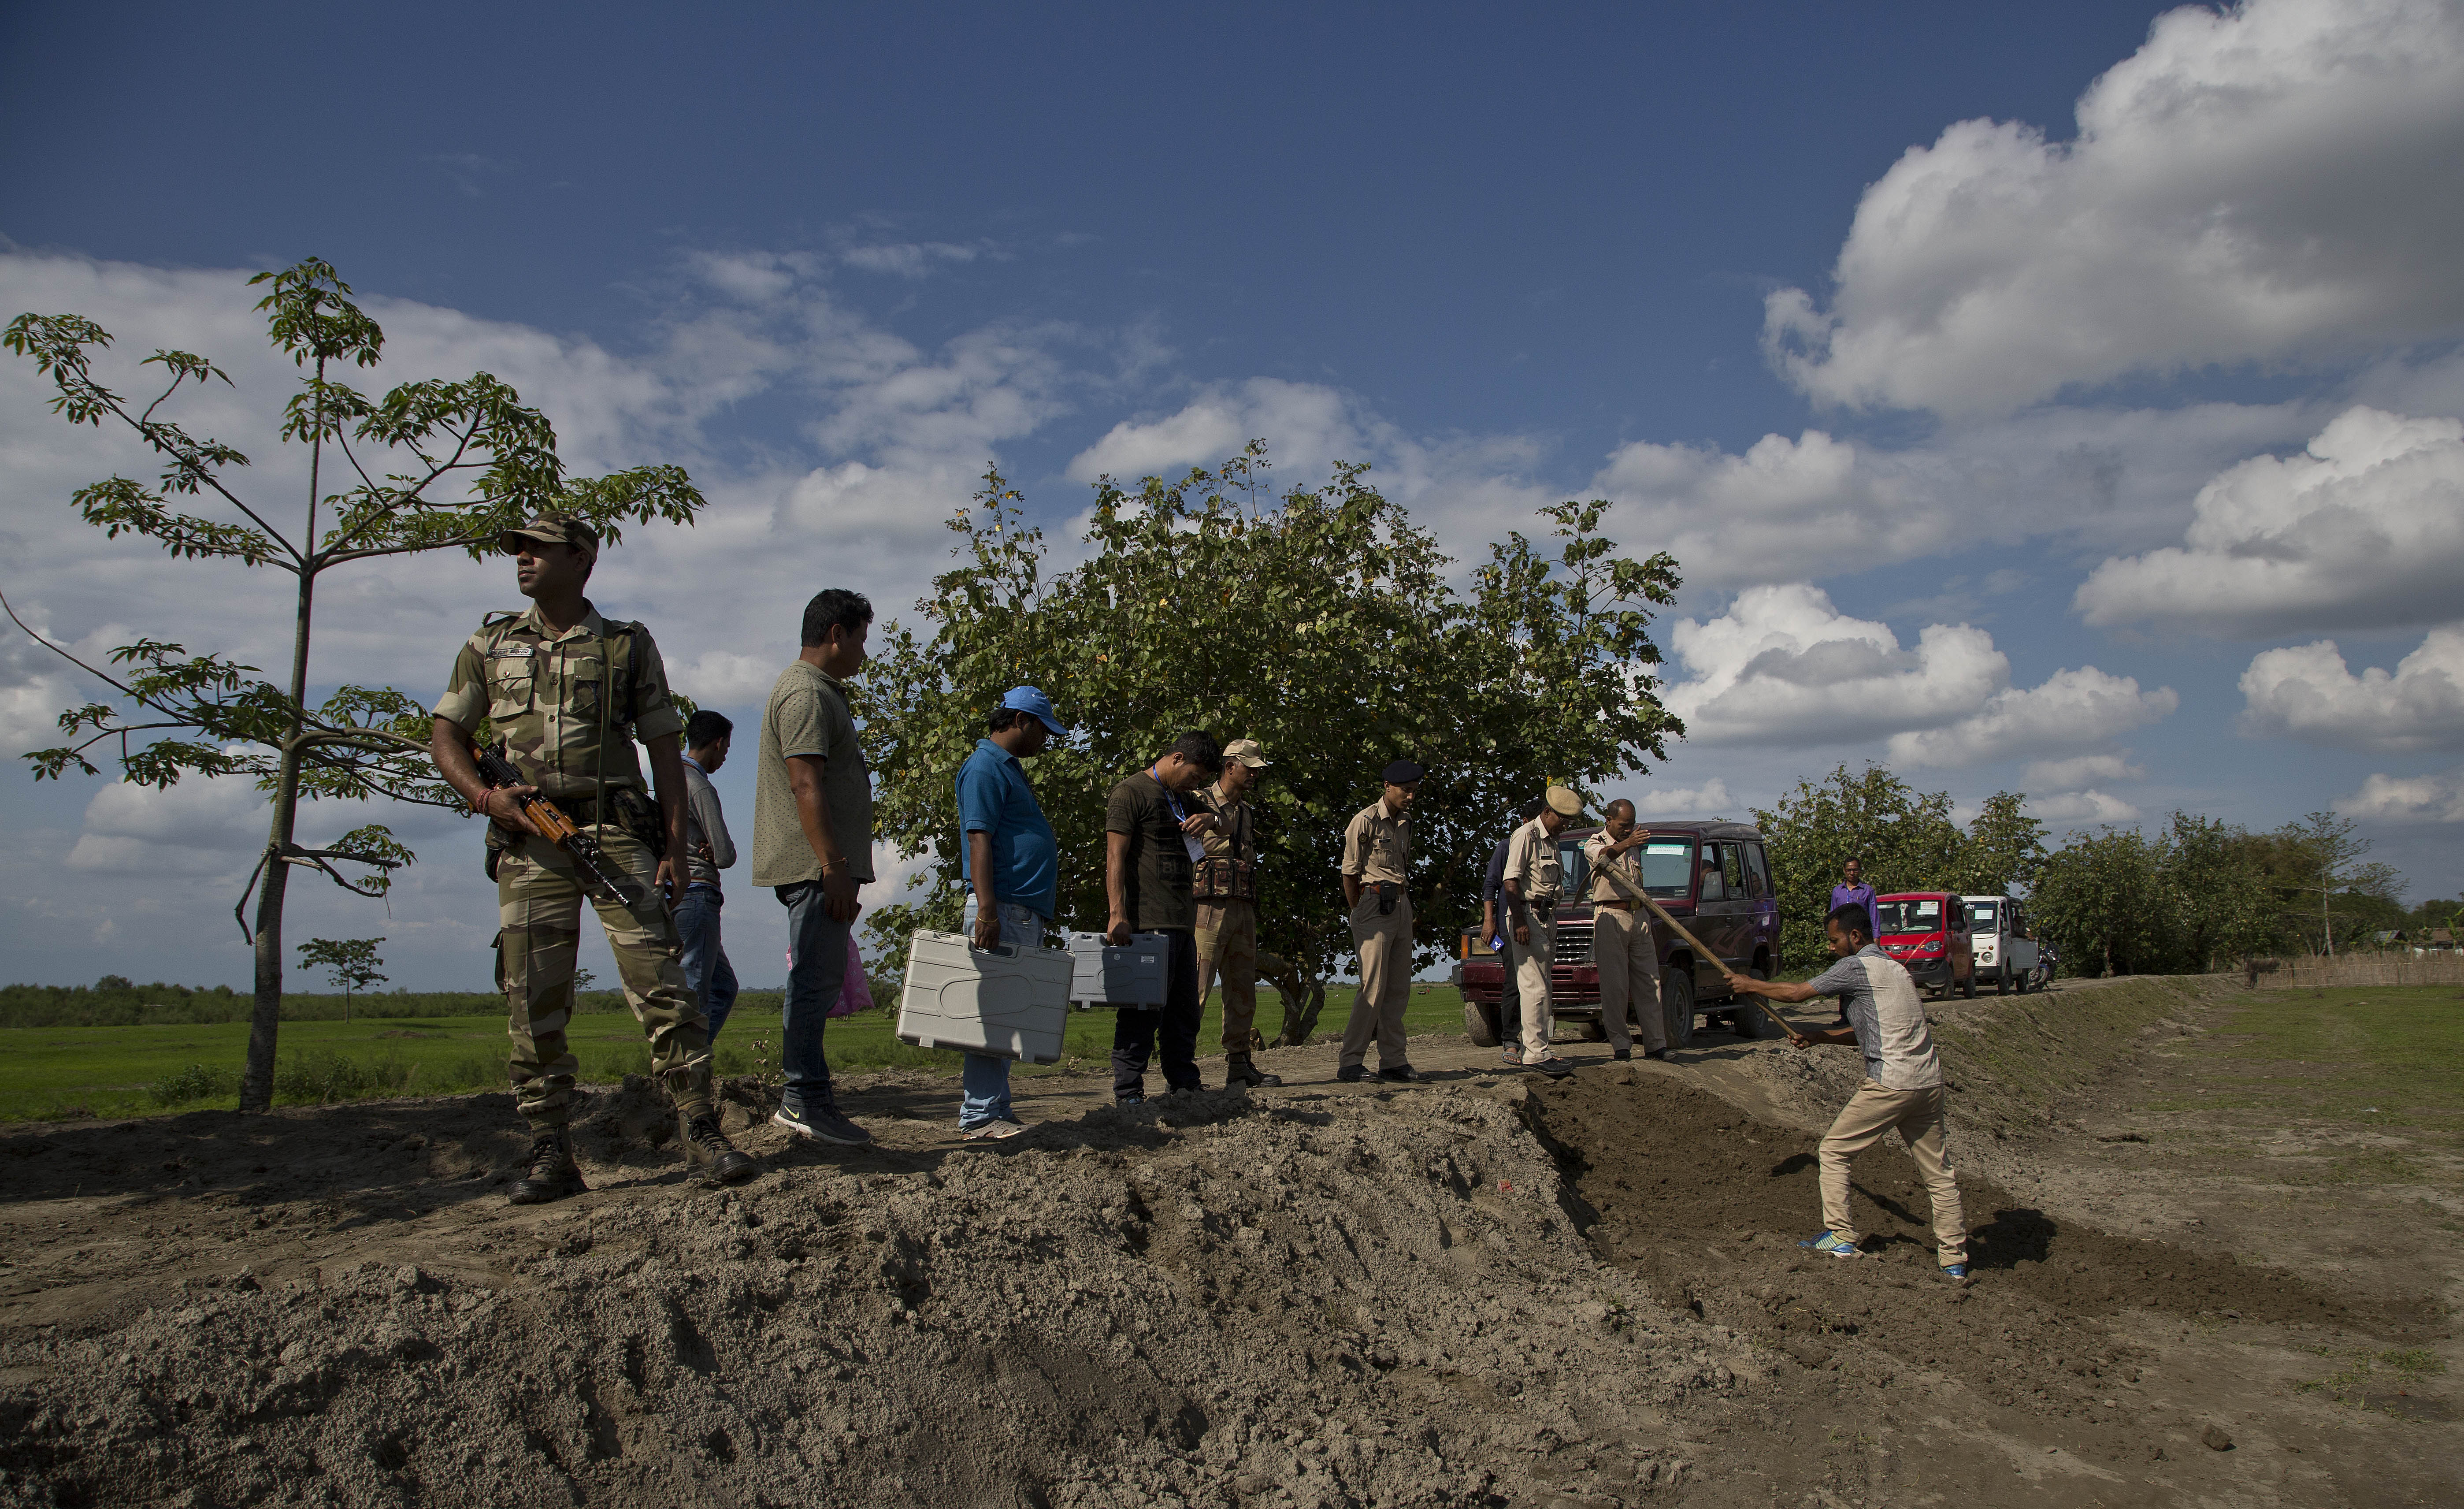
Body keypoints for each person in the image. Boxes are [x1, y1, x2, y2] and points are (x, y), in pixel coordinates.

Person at [428, 515, 755, 1203]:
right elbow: (446, 735)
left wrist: (674, 849)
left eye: (537, 549)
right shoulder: (488, 643)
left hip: (612, 828)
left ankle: (701, 1127)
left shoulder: (626, 646)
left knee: (662, 979)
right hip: (527, 837)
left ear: (581, 558)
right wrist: (488, 801)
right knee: (532, 995)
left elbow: (666, 751)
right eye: (516, 550)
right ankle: (550, 1150)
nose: (522, 559)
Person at [1723, 904, 1969, 1281]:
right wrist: (1820, 1037)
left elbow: (1797, 993)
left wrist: (1750, 985)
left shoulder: (1857, 966)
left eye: (1836, 940)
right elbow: (1870, 1031)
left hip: (1891, 1081)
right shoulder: (1895, 969)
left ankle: (1840, 1235)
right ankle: (1954, 1259)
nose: (1833, 948)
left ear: (1855, 937)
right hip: (1928, 1081)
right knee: (1940, 1174)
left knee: (1834, 1150)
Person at [752, 588, 877, 1148]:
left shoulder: (820, 691)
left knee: (819, 981)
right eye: (860, 640)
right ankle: (802, 1100)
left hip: (822, 865)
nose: (863, 655)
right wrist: (833, 865)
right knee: (812, 983)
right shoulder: (804, 692)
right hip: (815, 866)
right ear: (836, 634)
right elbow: (806, 783)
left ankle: (814, 1097)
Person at [954, 686, 1067, 1138]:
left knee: (1005, 1014)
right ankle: (981, 1114)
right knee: (995, 1012)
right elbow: (978, 837)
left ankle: (996, 1108)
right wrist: (986, 910)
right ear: (1021, 720)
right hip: (1000, 905)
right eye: (1043, 730)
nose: (1046, 740)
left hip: (1017, 908)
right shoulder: (984, 767)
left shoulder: (1008, 769)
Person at [1104, 731, 1226, 1104]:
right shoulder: (1131, 792)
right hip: (1146, 923)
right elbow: (1114, 858)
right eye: (1195, 776)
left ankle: (1184, 1084)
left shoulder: (1182, 798)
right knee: (1142, 1011)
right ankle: (1128, 1093)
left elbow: (1226, 825)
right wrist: (1117, 915)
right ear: (1176, 758)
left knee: (1183, 1011)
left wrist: (1208, 817)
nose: (1198, 784)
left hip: (1181, 922)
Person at [1196, 738, 1281, 1089]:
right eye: (1249, 768)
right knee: (1195, 988)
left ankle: (1239, 1064)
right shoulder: (1197, 801)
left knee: (1243, 989)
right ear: (1230, 766)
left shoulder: (1245, 811)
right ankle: (1180, 1068)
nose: (1253, 776)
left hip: (1242, 906)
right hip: (1206, 909)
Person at [1336, 760, 1422, 1084]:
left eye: (1414, 791)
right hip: (1373, 903)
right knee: (1372, 986)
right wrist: (1359, 909)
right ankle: (1351, 1062)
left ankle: (1394, 1061)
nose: (1410, 797)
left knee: (1399, 988)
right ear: (1387, 786)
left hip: (1401, 903)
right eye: (1405, 791)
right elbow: (1349, 871)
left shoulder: (1406, 822)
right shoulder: (1365, 821)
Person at [1502, 786, 1584, 1077]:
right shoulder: (1528, 835)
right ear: (1547, 812)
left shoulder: (1552, 841)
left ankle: (1540, 1048)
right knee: (1534, 987)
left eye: (1569, 821)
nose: (1566, 825)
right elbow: (1511, 881)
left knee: (1544, 987)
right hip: (1529, 916)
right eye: (1563, 819)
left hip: (1546, 917)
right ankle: (1535, 1054)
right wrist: (1521, 921)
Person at [1583, 798, 1671, 1063]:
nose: (1628, 829)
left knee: (1650, 983)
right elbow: (1602, 856)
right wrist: (1627, 844)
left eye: (1631, 825)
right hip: (1611, 915)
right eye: (1624, 825)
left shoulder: (1633, 844)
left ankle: (1656, 1044)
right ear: (1609, 820)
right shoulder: (1595, 841)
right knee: (1616, 986)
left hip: (1639, 915)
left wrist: (1631, 843)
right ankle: (1621, 1046)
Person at [676, 710, 740, 1041]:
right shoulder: (699, 786)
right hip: (698, 892)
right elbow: (726, 854)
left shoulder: (669, 779)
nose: (726, 756)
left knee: (723, 987)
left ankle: (694, 1055)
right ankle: (689, 1065)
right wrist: (716, 851)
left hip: (677, 892)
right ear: (718, 743)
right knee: (697, 989)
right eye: (727, 748)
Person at [1481, 798, 1544, 1067]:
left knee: (1539, 984)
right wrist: (1489, 921)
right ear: (1525, 822)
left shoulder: (1548, 847)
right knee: (1514, 981)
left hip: (1539, 925)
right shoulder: (1506, 847)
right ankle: (1511, 1040)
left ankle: (1538, 1042)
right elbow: (1491, 885)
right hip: (1507, 927)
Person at [1830, 859, 1878, 944]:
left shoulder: (1867, 890)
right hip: (1843, 937)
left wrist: (1876, 937)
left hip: (1862, 936)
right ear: (1844, 870)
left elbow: (1874, 916)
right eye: (1849, 870)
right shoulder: (1837, 891)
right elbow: (1833, 916)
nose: (1852, 873)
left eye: (1855, 870)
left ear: (1860, 870)